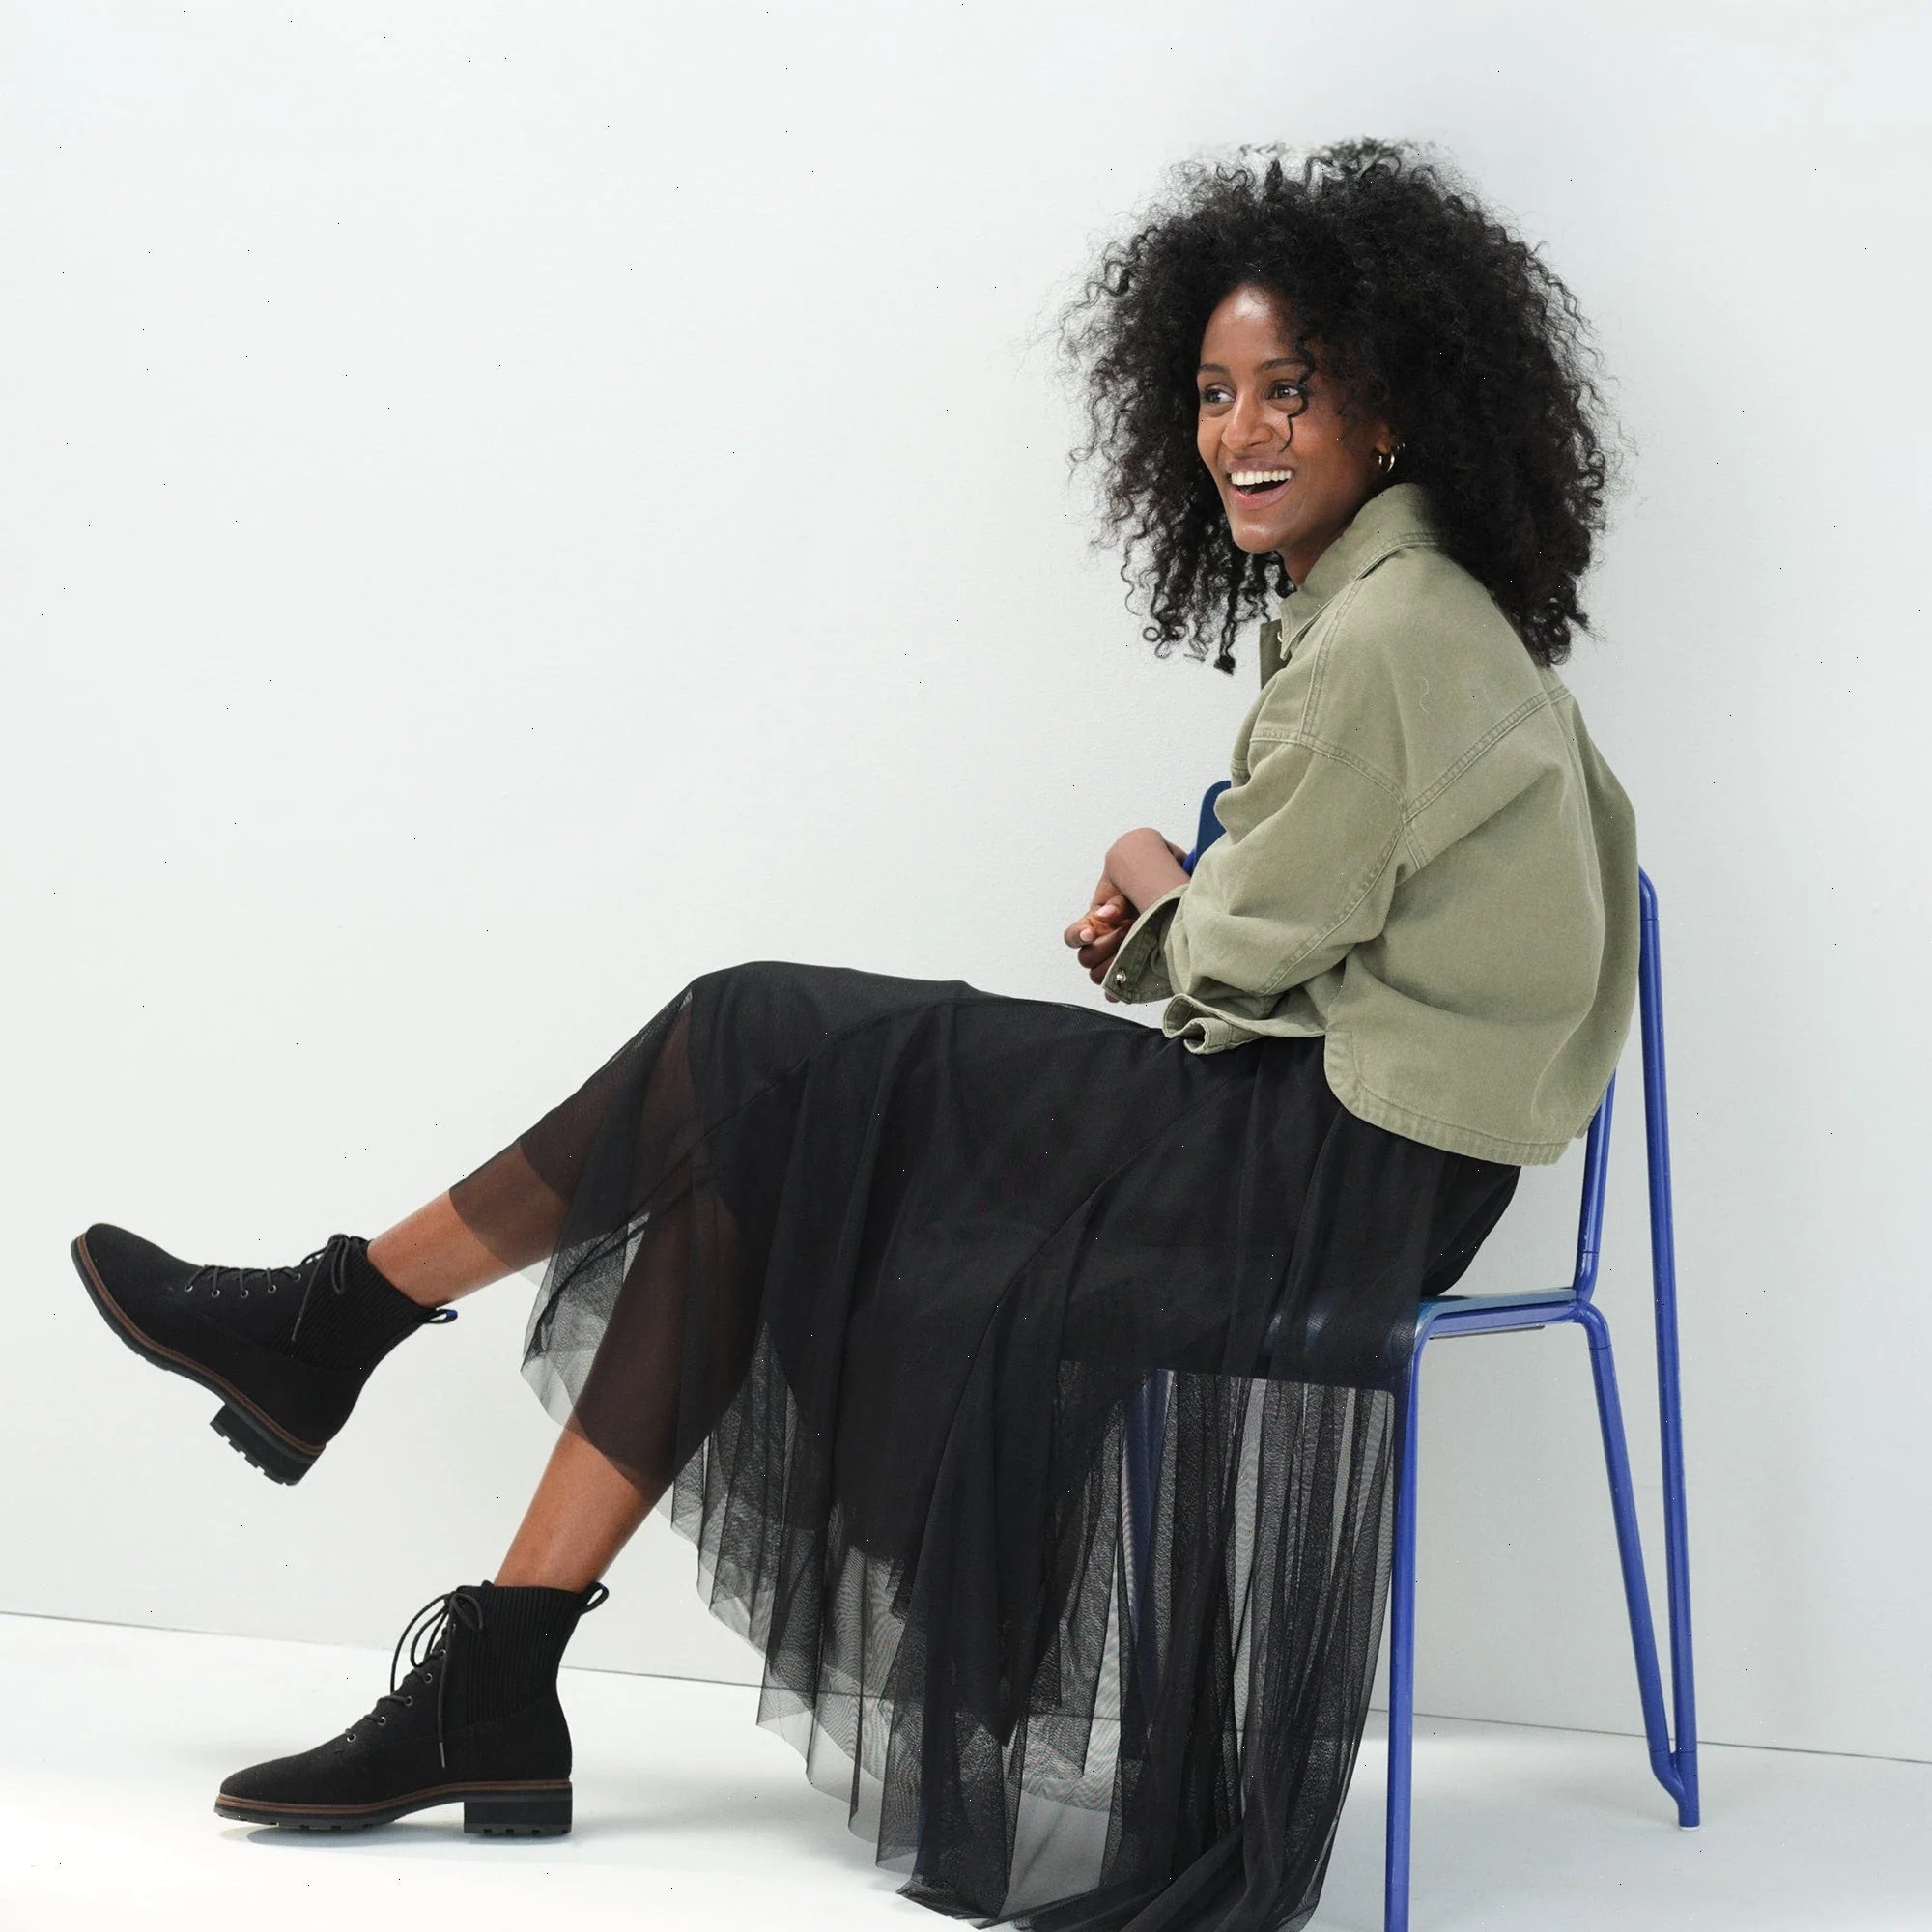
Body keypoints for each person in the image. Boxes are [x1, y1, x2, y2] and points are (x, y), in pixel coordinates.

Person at [69, 136, 1639, 1931]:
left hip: (1323, 1168)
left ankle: (340, 1318)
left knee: (752, 1036)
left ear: (1394, 407)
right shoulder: (1401, 613)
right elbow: (1299, 937)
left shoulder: (1391, 639)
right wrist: (1198, 902)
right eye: (1213, 394)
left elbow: (1227, 964)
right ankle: (493, 1661)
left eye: (1292, 387)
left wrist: (1150, 868)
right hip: (1350, 1145)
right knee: (753, 1132)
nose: (1240, 432)